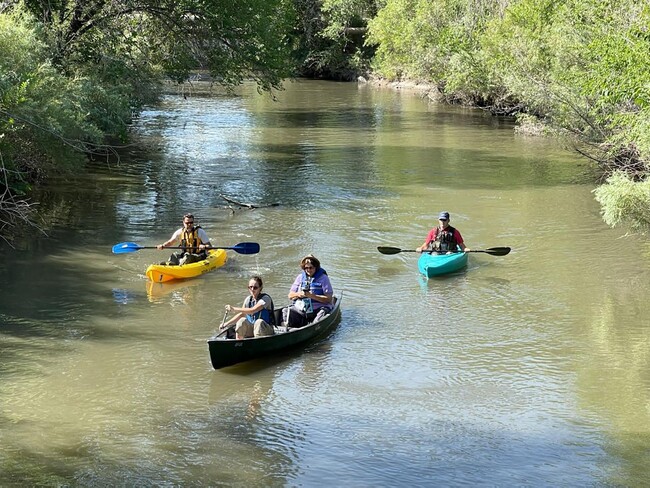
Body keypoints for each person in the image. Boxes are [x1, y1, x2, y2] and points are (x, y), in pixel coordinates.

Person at [286, 254, 334, 328]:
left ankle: (312, 328)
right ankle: (288, 329)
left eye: (311, 267)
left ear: (316, 267)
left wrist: (311, 296)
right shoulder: (300, 277)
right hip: (303, 308)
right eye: (306, 268)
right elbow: (290, 295)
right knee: (286, 311)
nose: (308, 270)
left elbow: (329, 299)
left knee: (319, 318)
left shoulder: (323, 278)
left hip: (319, 308)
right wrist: (299, 294)